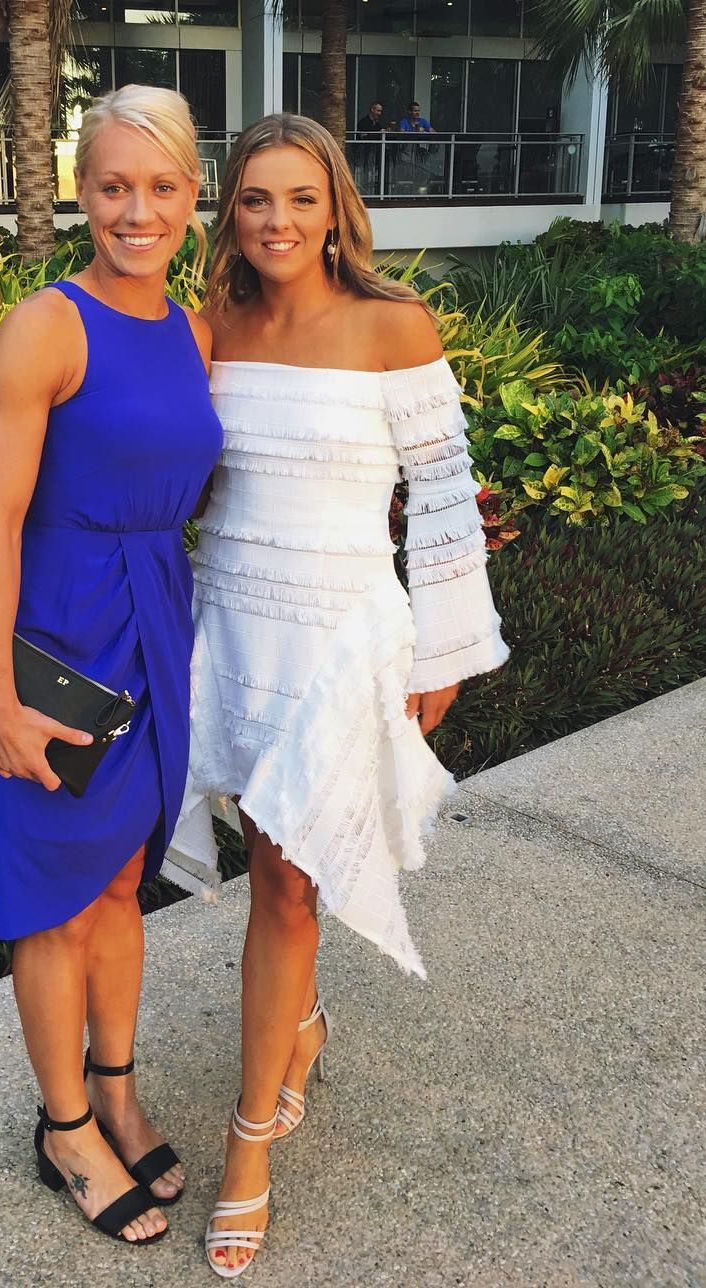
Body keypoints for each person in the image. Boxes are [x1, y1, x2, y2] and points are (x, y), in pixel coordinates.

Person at [164, 113, 508, 1277]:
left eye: (300, 199)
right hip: (234, 627)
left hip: (341, 638)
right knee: (275, 862)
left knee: (286, 880)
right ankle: (301, 1024)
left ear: (336, 211)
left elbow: (445, 496)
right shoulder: (212, 326)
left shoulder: (393, 324)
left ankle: (248, 1140)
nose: (277, 221)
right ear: (231, 212)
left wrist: (442, 652)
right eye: (256, 199)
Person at [0, 84, 222, 1246]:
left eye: (161, 186)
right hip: (60, 639)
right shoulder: (47, 326)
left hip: (155, 618)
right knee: (58, 898)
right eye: (114, 185)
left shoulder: (193, 331)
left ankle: (115, 1088)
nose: (137, 210)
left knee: (121, 881)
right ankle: (64, 1126)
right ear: (80, 191)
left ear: (192, 196)